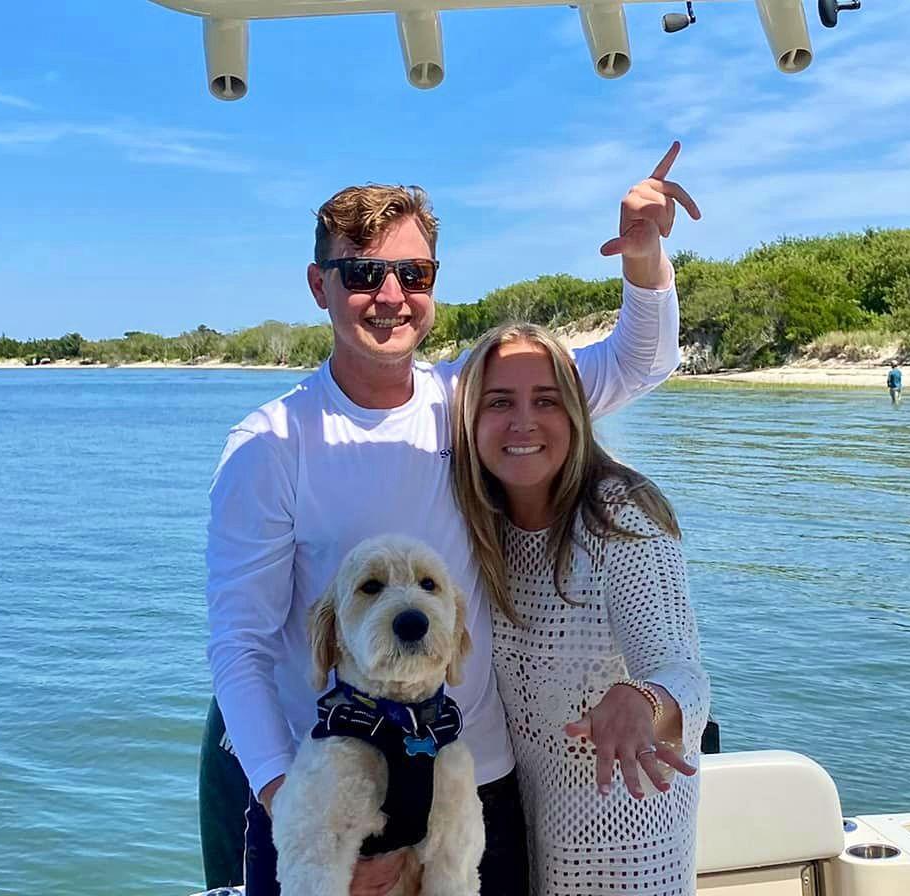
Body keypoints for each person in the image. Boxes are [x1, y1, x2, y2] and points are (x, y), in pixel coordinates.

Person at [204, 142, 701, 896]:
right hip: (334, 802)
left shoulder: (473, 403)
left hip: (473, 788)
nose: (391, 295)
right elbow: (240, 647)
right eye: (362, 273)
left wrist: (643, 256)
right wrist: (301, 813)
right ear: (319, 285)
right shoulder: (271, 445)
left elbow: (638, 363)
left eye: (414, 274)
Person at [450, 322, 710, 895]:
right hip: (526, 836)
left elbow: (683, 672)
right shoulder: (477, 526)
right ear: (470, 420)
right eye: (500, 402)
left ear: (575, 413)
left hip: (633, 847)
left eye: (546, 400)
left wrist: (644, 700)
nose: (523, 421)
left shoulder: (620, 519)